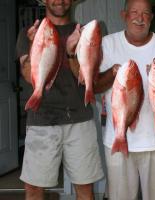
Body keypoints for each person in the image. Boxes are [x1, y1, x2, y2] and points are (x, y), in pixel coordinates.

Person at [90, 0, 155, 199]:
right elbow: (94, 85)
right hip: (118, 138)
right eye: (134, 12)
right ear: (124, 15)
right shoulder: (108, 43)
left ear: (152, 17)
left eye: (145, 13)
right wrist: (111, 74)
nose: (139, 18)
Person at [16, 0, 104, 199]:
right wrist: (33, 45)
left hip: (79, 119)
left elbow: (84, 78)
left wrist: (71, 51)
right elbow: (30, 76)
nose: (59, 0)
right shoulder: (29, 33)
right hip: (42, 119)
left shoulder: (84, 33)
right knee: (34, 188)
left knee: (84, 188)